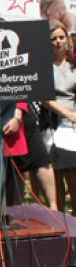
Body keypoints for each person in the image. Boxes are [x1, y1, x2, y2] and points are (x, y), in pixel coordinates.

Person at [41, 20, 76, 214]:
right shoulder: (44, 67)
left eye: (61, 37)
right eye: (53, 38)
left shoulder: (74, 65)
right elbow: (44, 97)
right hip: (52, 125)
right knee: (55, 174)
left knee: (73, 172)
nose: (58, 42)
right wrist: (67, 114)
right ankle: (59, 219)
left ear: (67, 40)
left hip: (73, 127)